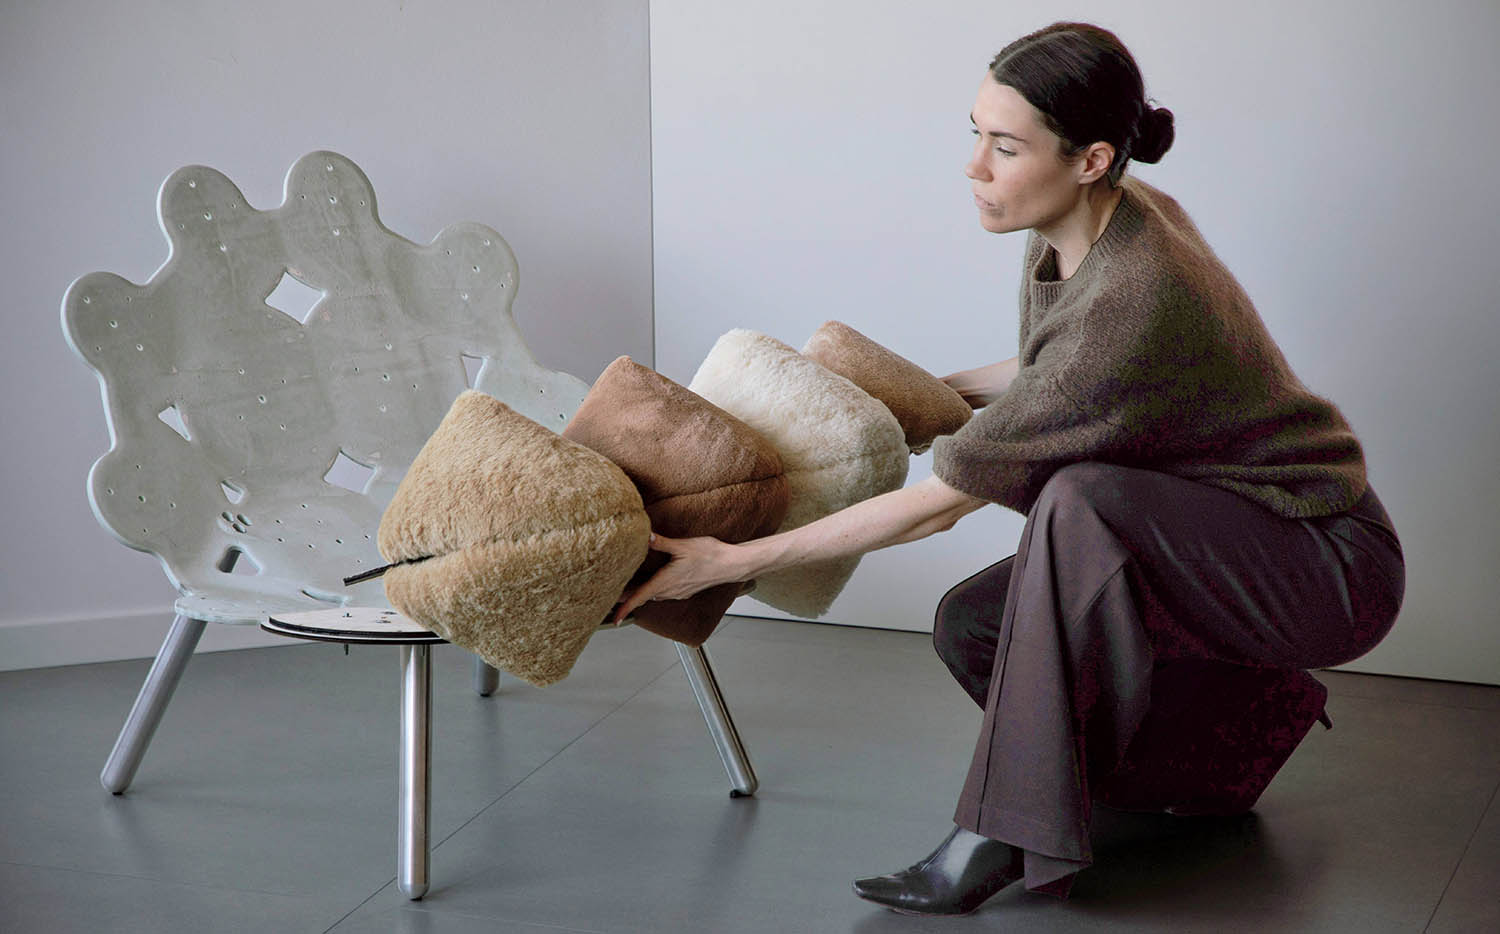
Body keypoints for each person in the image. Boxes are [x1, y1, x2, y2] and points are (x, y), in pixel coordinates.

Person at [611, 21, 1404, 917]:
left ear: (1092, 158)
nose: (974, 166)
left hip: (1320, 561)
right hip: (1216, 537)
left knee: (1077, 500)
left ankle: (1000, 833)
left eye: (1005, 145)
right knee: (974, 625)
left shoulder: (1136, 295)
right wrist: (926, 396)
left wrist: (729, 561)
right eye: (976, 133)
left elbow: (940, 506)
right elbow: (1051, 374)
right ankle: (1231, 735)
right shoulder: (1085, 230)